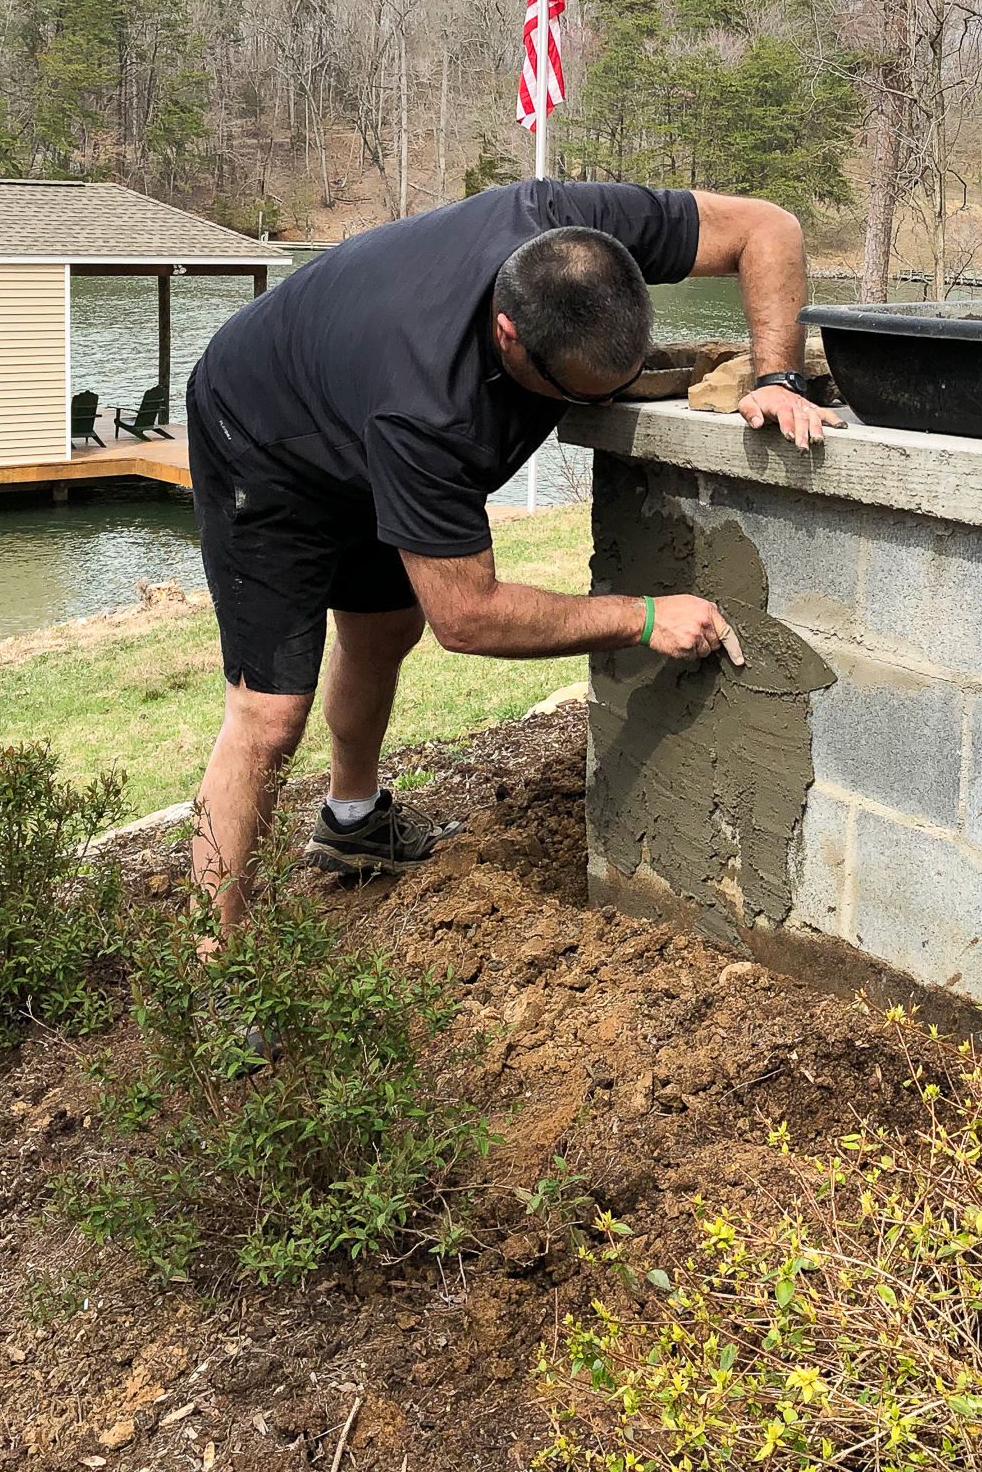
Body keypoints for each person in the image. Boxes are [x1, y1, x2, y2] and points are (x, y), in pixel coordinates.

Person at [185, 177, 843, 921]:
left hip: (348, 388)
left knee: (383, 627)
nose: (603, 401)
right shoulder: (430, 407)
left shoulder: (574, 226)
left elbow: (770, 228)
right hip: (263, 433)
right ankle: (214, 978)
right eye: (580, 392)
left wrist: (777, 375)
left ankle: (352, 821)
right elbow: (467, 617)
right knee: (269, 714)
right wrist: (644, 617)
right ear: (507, 336)